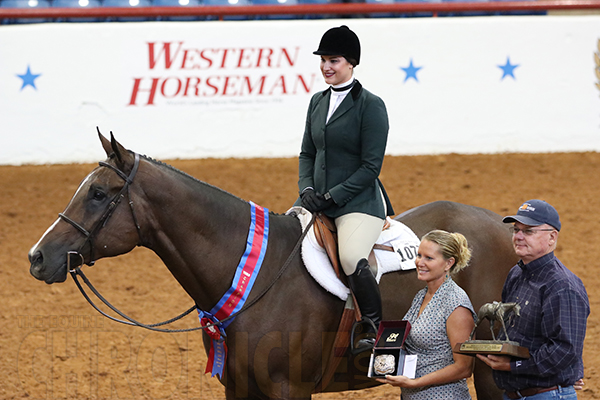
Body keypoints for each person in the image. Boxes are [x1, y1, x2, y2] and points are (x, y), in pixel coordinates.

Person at [296, 25, 394, 350]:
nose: (326, 66)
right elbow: (307, 152)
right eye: (324, 60)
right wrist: (306, 188)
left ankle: (372, 328)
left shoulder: (371, 105)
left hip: (358, 203)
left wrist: (331, 197)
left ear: (351, 62)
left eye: (333, 60)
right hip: (317, 199)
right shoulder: (316, 102)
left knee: (351, 256)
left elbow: (371, 167)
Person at [477, 199, 590, 400]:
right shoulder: (515, 274)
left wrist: (512, 366)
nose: (518, 236)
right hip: (515, 394)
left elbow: (564, 351)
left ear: (552, 237)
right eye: (516, 229)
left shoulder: (562, 286)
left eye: (528, 231)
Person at [377, 230, 476, 399]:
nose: (419, 262)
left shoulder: (456, 304)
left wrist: (416, 382)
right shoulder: (421, 296)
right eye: (419, 255)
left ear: (448, 263)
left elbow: (464, 368)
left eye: (428, 258)